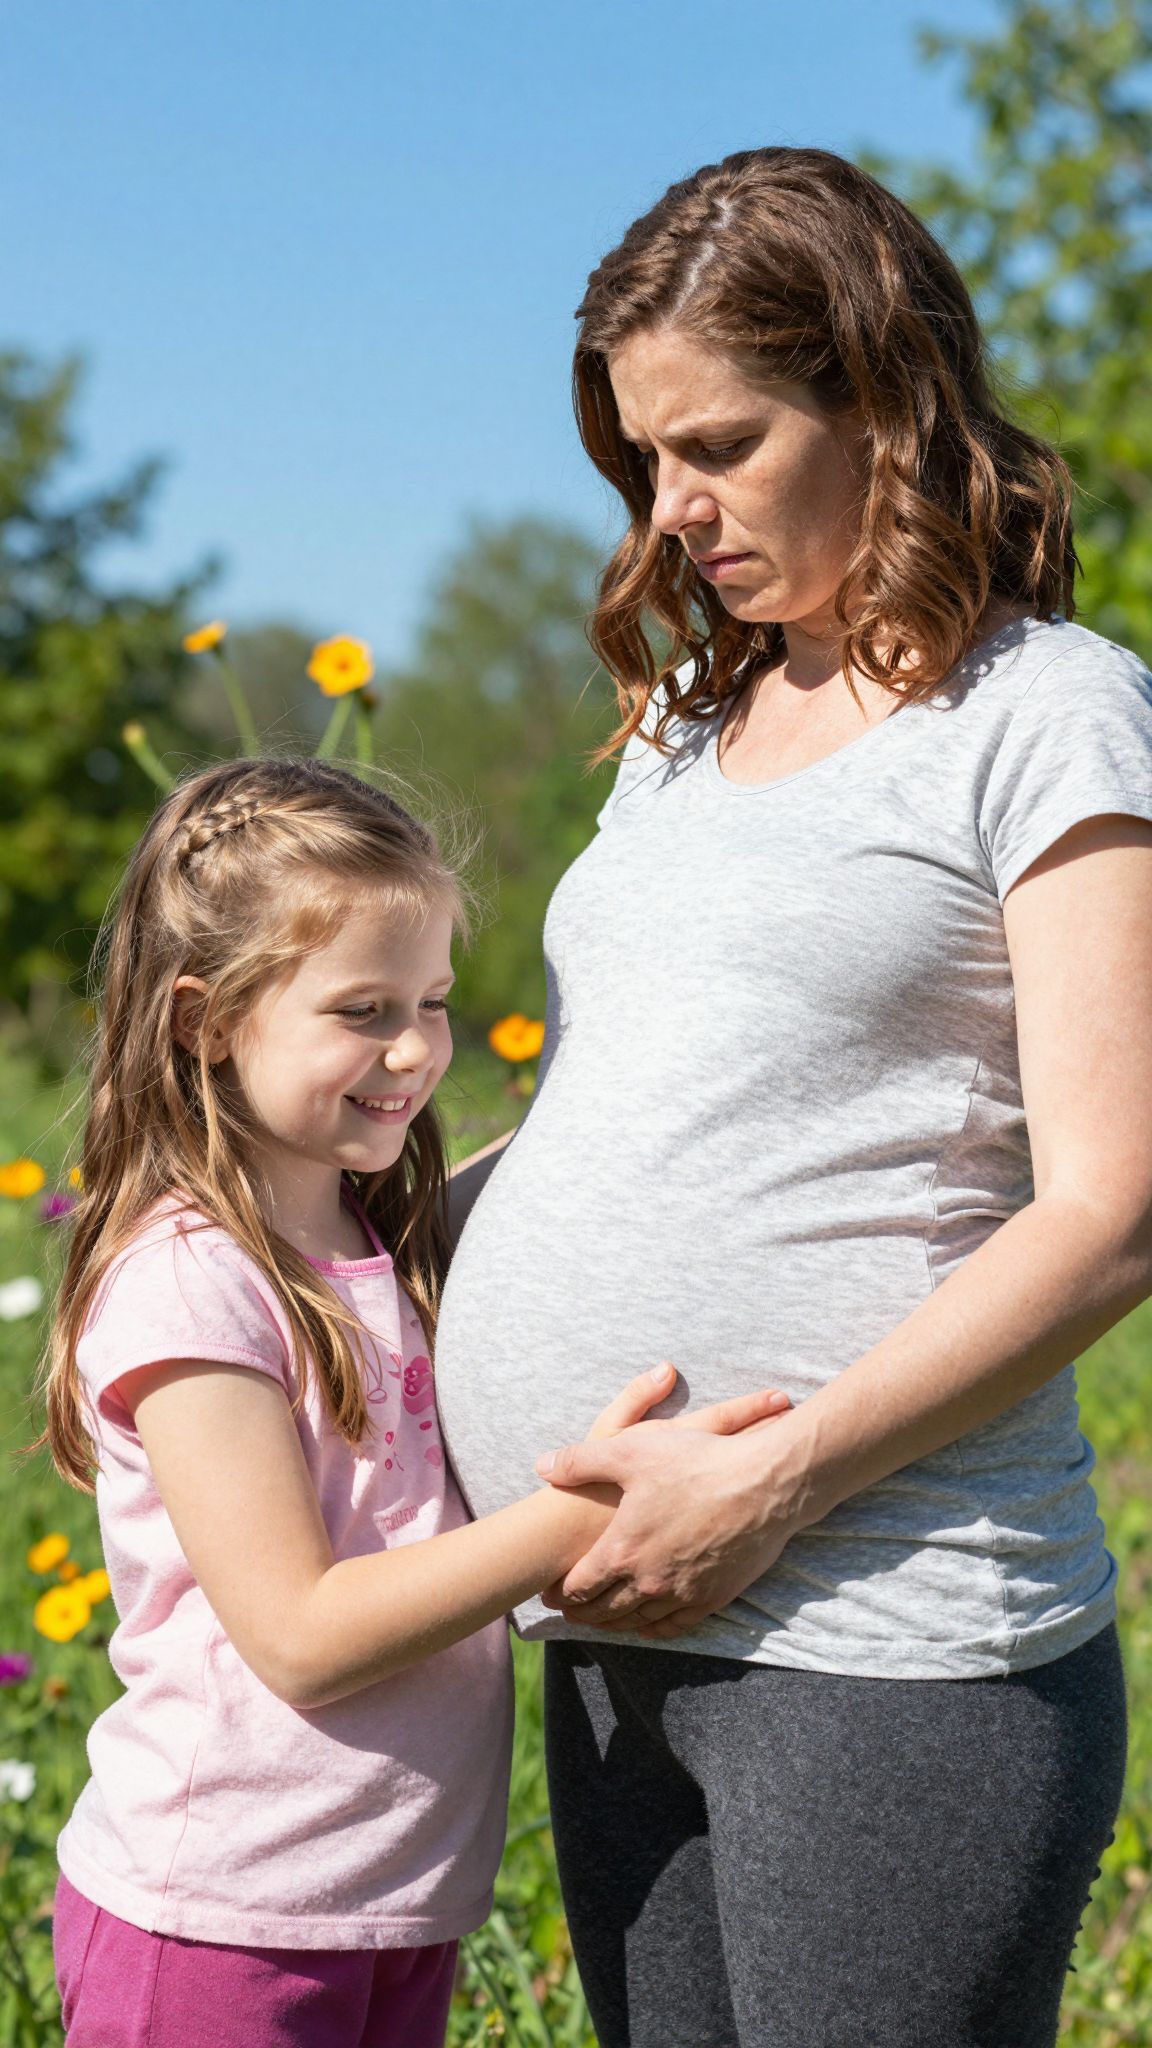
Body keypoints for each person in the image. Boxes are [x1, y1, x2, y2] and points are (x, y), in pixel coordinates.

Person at [434, 147, 1152, 2047]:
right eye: (642, 463)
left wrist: (773, 1476)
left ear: (884, 398)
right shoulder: (682, 732)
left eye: (720, 446)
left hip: (883, 1643)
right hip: (618, 1622)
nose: (673, 515)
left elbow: (1119, 1204)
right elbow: (647, 1109)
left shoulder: (1046, 712)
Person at [41, 755, 785, 2048]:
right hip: (215, 1923)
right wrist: (588, 1516)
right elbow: (301, 1633)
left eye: (433, 1002)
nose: (412, 1050)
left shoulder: (370, 1238)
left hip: (382, 1909)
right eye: (363, 1008)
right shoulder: (190, 1288)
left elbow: (541, 1169)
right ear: (206, 1020)